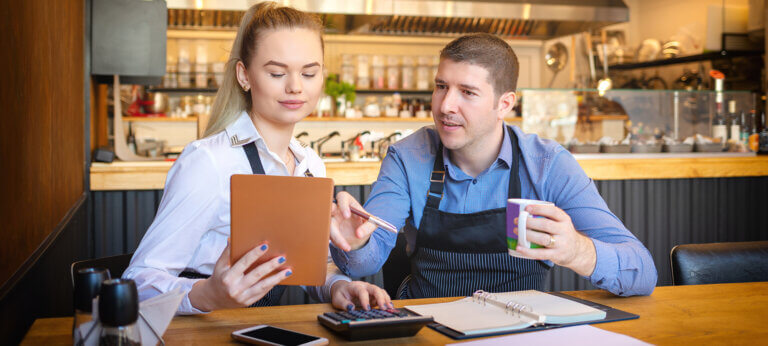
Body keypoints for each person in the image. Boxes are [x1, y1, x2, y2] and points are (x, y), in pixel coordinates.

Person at [330, 33, 657, 299]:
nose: (445, 106)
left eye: (467, 92)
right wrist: (354, 241)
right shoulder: (408, 157)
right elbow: (363, 262)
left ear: (505, 104)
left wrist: (577, 252)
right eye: (441, 86)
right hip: (427, 327)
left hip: (520, 330)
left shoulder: (546, 164)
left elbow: (642, 271)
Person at [123, 2, 391, 314]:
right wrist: (207, 294)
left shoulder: (310, 166)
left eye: (308, 72)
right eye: (277, 72)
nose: (295, 87)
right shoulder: (209, 162)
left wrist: (339, 285)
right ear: (244, 76)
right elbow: (137, 281)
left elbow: (303, 266)